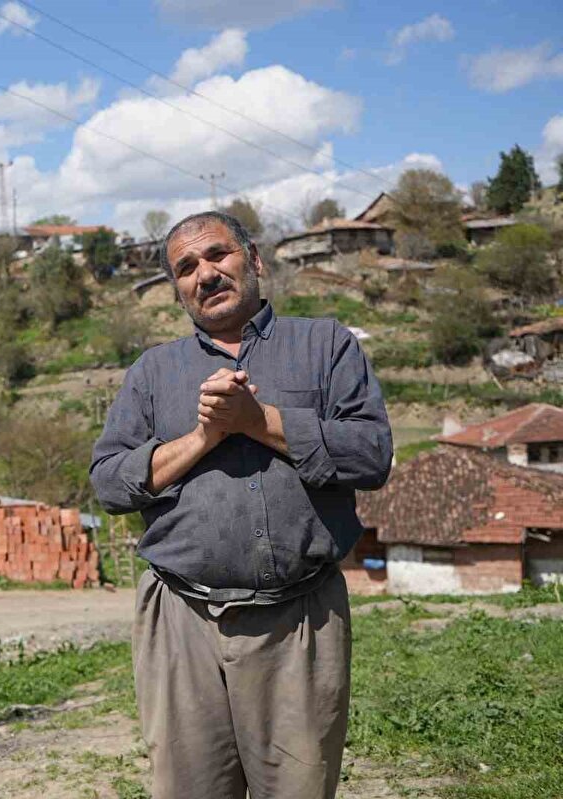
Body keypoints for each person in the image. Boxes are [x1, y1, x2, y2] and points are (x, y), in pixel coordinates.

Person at [90, 211, 392, 799]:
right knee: (189, 787)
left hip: (299, 616)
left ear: (253, 261)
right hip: (181, 618)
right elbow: (109, 483)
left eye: (218, 256)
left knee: (298, 788)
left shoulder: (324, 345)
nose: (205, 274)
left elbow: (371, 455)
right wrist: (205, 438)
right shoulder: (153, 372)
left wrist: (260, 422)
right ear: (177, 288)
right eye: (186, 268)